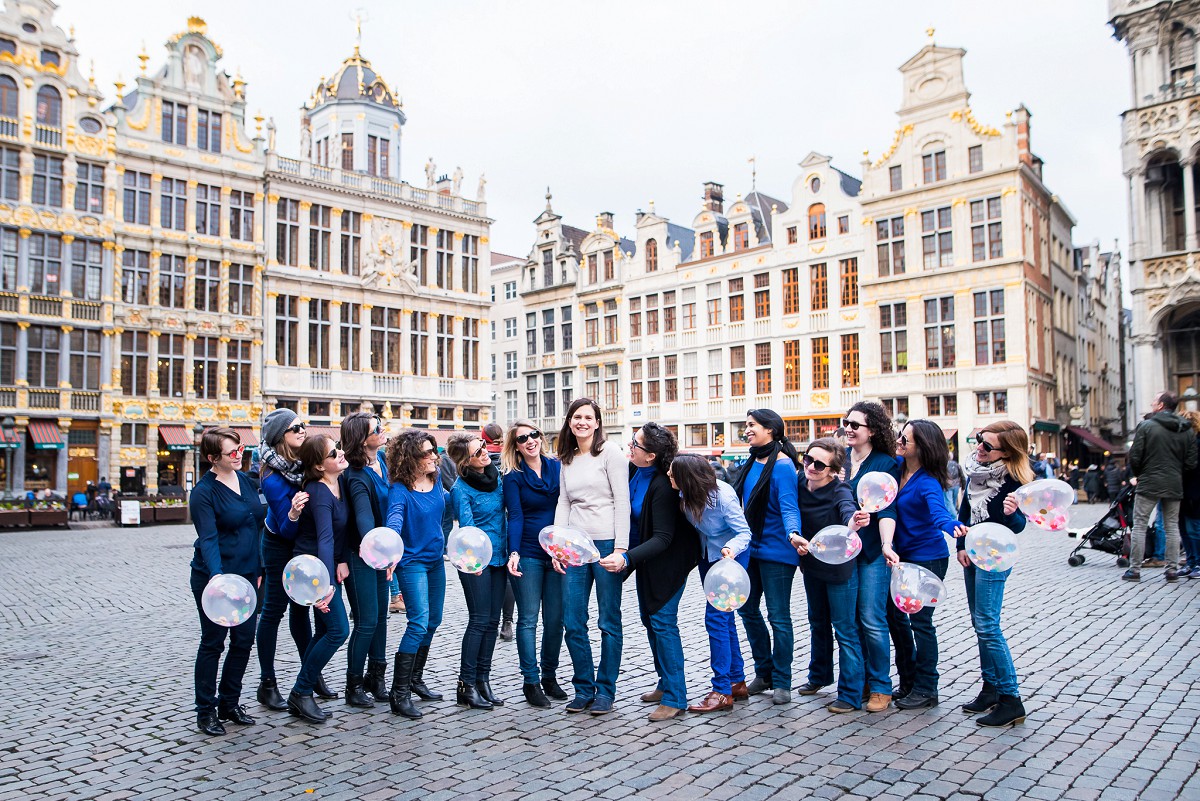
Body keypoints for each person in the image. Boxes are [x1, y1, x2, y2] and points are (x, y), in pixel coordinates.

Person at [604, 423, 699, 722]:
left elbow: (664, 538)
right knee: (650, 619)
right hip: (648, 560)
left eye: (636, 444)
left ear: (651, 456)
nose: (630, 446)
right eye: (632, 441)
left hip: (669, 561)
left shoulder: (662, 484)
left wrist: (626, 559)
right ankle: (664, 683)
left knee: (663, 622)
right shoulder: (635, 472)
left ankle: (675, 697)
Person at [553, 398, 631, 715]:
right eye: (576, 416)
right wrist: (557, 545)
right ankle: (583, 688)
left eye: (588, 417)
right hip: (575, 545)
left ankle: (605, 691)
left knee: (608, 621)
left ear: (597, 423)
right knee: (573, 621)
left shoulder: (610, 453)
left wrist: (621, 550)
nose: (582, 422)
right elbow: (564, 502)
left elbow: (622, 501)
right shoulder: (567, 457)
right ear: (569, 421)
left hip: (607, 543)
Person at [954, 420, 1031, 728]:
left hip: (995, 556)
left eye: (987, 445)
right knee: (978, 622)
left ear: (1006, 452)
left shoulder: (1013, 480)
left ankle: (1011, 700)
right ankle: (991, 689)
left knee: (988, 624)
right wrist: (960, 544)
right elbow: (964, 511)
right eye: (979, 441)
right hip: (971, 551)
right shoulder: (974, 471)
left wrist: (1014, 513)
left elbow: (1019, 527)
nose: (979, 448)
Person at [189, 427, 266, 736]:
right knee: (213, 641)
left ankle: (229, 702)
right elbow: (207, 539)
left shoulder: (247, 482)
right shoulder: (203, 493)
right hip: (215, 578)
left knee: (245, 639)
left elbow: (258, 526)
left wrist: (259, 568)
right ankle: (205, 710)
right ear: (212, 457)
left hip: (248, 575)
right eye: (231, 452)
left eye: (240, 450)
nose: (238, 455)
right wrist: (218, 577)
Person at [669, 454, 752, 714]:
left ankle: (721, 691)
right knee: (725, 620)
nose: (669, 477)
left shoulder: (723, 496)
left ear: (686, 477)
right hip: (708, 556)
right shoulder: (684, 494)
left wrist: (729, 549)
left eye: (673, 474)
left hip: (731, 558)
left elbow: (744, 533)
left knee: (716, 619)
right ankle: (736, 681)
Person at [254, 409, 325, 710]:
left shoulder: (305, 461)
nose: (302, 430)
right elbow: (285, 527)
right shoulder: (271, 478)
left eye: (302, 425)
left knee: (302, 609)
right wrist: (295, 512)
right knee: (273, 610)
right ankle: (267, 682)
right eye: (295, 427)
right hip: (279, 543)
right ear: (279, 436)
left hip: (303, 543)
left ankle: (309, 673)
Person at [791, 438, 866, 713]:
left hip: (839, 570)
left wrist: (853, 521)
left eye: (819, 464)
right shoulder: (799, 483)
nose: (810, 466)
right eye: (808, 459)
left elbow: (848, 509)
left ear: (833, 471)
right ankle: (819, 676)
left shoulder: (840, 489)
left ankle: (850, 694)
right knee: (817, 622)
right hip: (811, 565)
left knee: (845, 629)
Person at [733, 408, 802, 705]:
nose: (747, 430)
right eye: (746, 425)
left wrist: (793, 532)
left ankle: (783, 679)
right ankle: (765, 672)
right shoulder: (751, 462)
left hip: (777, 550)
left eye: (752, 425)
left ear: (770, 430)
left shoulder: (783, 466)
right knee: (746, 609)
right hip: (751, 548)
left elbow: (789, 506)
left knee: (778, 616)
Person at [889, 419, 958, 710]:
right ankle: (908, 679)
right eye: (900, 437)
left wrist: (952, 526)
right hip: (902, 558)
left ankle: (927, 687)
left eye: (905, 440)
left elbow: (939, 512)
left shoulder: (928, 481)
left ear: (923, 447)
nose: (900, 443)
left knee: (921, 622)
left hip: (928, 557)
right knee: (894, 617)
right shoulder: (897, 467)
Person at [841, 401, 900, 712]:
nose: (848, 429)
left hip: (873, 551)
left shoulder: (884, 463)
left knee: (871, 618)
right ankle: (858, 681)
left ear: (873, 431)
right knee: (849, 621)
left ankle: (880, 686)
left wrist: (887, 544)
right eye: (846, 422)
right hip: (843, 550)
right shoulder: (840, 460)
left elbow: (888, 508)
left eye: (856, 425)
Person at [286, 434, 350, 724]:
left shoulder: (337, 484)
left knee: (325, 632)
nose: (341, 453)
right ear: (320, 466)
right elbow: (324, 538)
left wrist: (342, 560)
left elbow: (338, 535)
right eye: (333, 452)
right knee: (338, 630)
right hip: (311, 571)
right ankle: (301, 692)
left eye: (338, 447)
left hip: (324, 565)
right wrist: (327, 587)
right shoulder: (320, 492)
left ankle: (304, 689)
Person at [385, 430, 449, 718]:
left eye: (433, 450)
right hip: (412, 563)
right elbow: (395, 518)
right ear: (410, 458)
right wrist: (389, 545)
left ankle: (415, 679)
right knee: (418, 622)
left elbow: (452, 505)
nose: (434, 456)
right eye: (426, 453)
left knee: (434, 620)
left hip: (436, 561)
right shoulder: (400, 489)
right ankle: (398, 693)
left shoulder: (436, 480)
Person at [503, 421, 566, 707]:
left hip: (556, 552)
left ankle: (549, 676)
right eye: (522, 438)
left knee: (555, 619)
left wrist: (562, 547)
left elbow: (566, 507)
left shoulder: (557, 467)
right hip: (528, 551)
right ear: (515, 446)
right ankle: (531, 680)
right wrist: (513, 552)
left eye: (533, 435)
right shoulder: (513, 477)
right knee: (528, 619)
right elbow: (514, 516)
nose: (530, 441)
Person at [447, 432, 508, 710]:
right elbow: (468, 530)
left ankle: (483, 680)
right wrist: (475, 564)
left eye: (483, 446)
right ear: (465, 461)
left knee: (493, 621)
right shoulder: (461, 489)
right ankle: (466, 684)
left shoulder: (497, 478)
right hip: (476, 562)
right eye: (477, 450)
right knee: (479, 620)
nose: (485, 451)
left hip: (500, 558)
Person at [340, 412, 392, 707]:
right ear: (362, 439)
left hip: (381, 551)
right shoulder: (356, 476)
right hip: (361, 553)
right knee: (366, 620)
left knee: (381, 618)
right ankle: (354, 683)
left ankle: (377, 676)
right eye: (377, 429)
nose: (383, 430)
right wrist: (378, 553)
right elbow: (363, 521)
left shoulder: (381, 460)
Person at [1123, 391, 1198, 582]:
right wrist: (1176, 473)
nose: (1151, 404)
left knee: (1140, 525)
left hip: (1149, 482)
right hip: (1174, 482)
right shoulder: (1186, 429)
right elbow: (1191, 462)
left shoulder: (1147, 426)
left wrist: (1141, 474)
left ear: (1161, 406)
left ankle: (1135, 570)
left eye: (1154, 401)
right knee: (1172, 526)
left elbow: (1135, 457)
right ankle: (1172, 570)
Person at [483, 421, 517, 642]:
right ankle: (507, 620)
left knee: (491, 571)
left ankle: (490, 618)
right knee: (507, 574)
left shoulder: (481, 457)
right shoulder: (509, 457)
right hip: (511, 519)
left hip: (491, 522)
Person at [1180, 410, 1200, 579]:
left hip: (1194, 492)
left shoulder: (1196, 443)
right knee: (1185, 530)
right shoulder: (1186, 443)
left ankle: (1198, 563)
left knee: (1193, 529)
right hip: (1182, 491)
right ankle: (1191, 562)